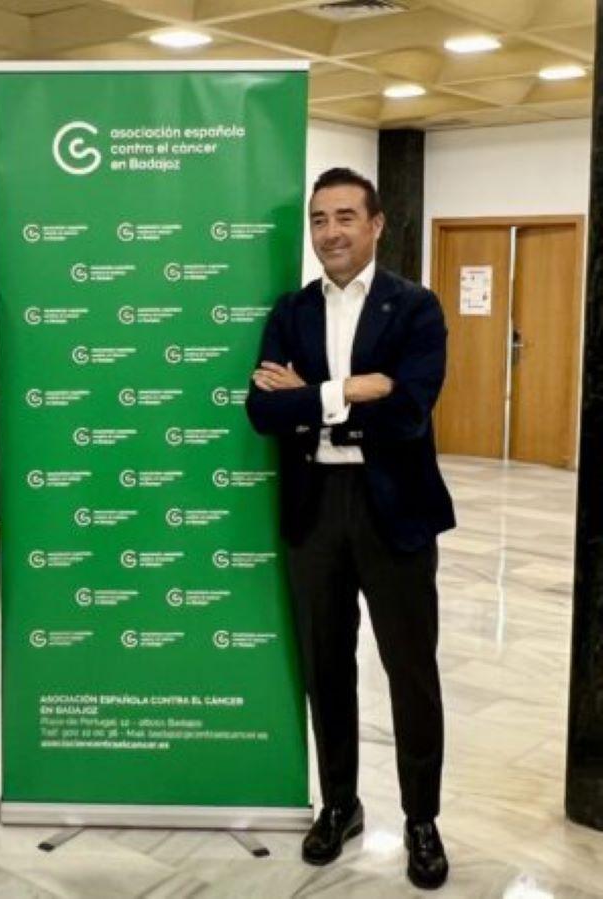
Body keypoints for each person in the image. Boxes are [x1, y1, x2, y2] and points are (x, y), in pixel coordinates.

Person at [246, 167, 455, 890]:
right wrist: (348, 389)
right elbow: (262, 411)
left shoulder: (415, 308)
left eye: (344, 217)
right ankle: (341, 803)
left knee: (410, 670)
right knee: (325, 665)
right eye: (318, 219)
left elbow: (409, 412)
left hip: (392, 507)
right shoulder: (291, 313)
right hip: (314, 507)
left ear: (375, 225)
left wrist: (308, 396)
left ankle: (422, 818)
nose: (329, 232)